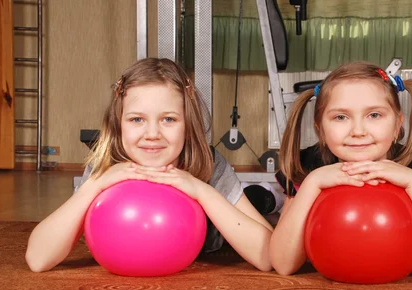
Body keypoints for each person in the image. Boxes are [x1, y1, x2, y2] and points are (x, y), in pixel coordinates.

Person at [26, 58, 273, 273]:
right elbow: (37, 259)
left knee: (259, 201)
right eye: (137, 119)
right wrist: (94, 186)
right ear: (118, 125)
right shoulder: (108, 164)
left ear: (187, 126)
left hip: (225, 215)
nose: (152, 134)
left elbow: (268, 257)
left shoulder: (207, 161)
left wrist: (201, 191)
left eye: (168, 119)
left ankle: (272, 197)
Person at [270, 61, 412, 283]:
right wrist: (312, 184)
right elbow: (283, 264)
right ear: (321, 129)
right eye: (340, 117)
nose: (358, 131)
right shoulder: (307, 167)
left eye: (374, 115)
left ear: (397, 125)